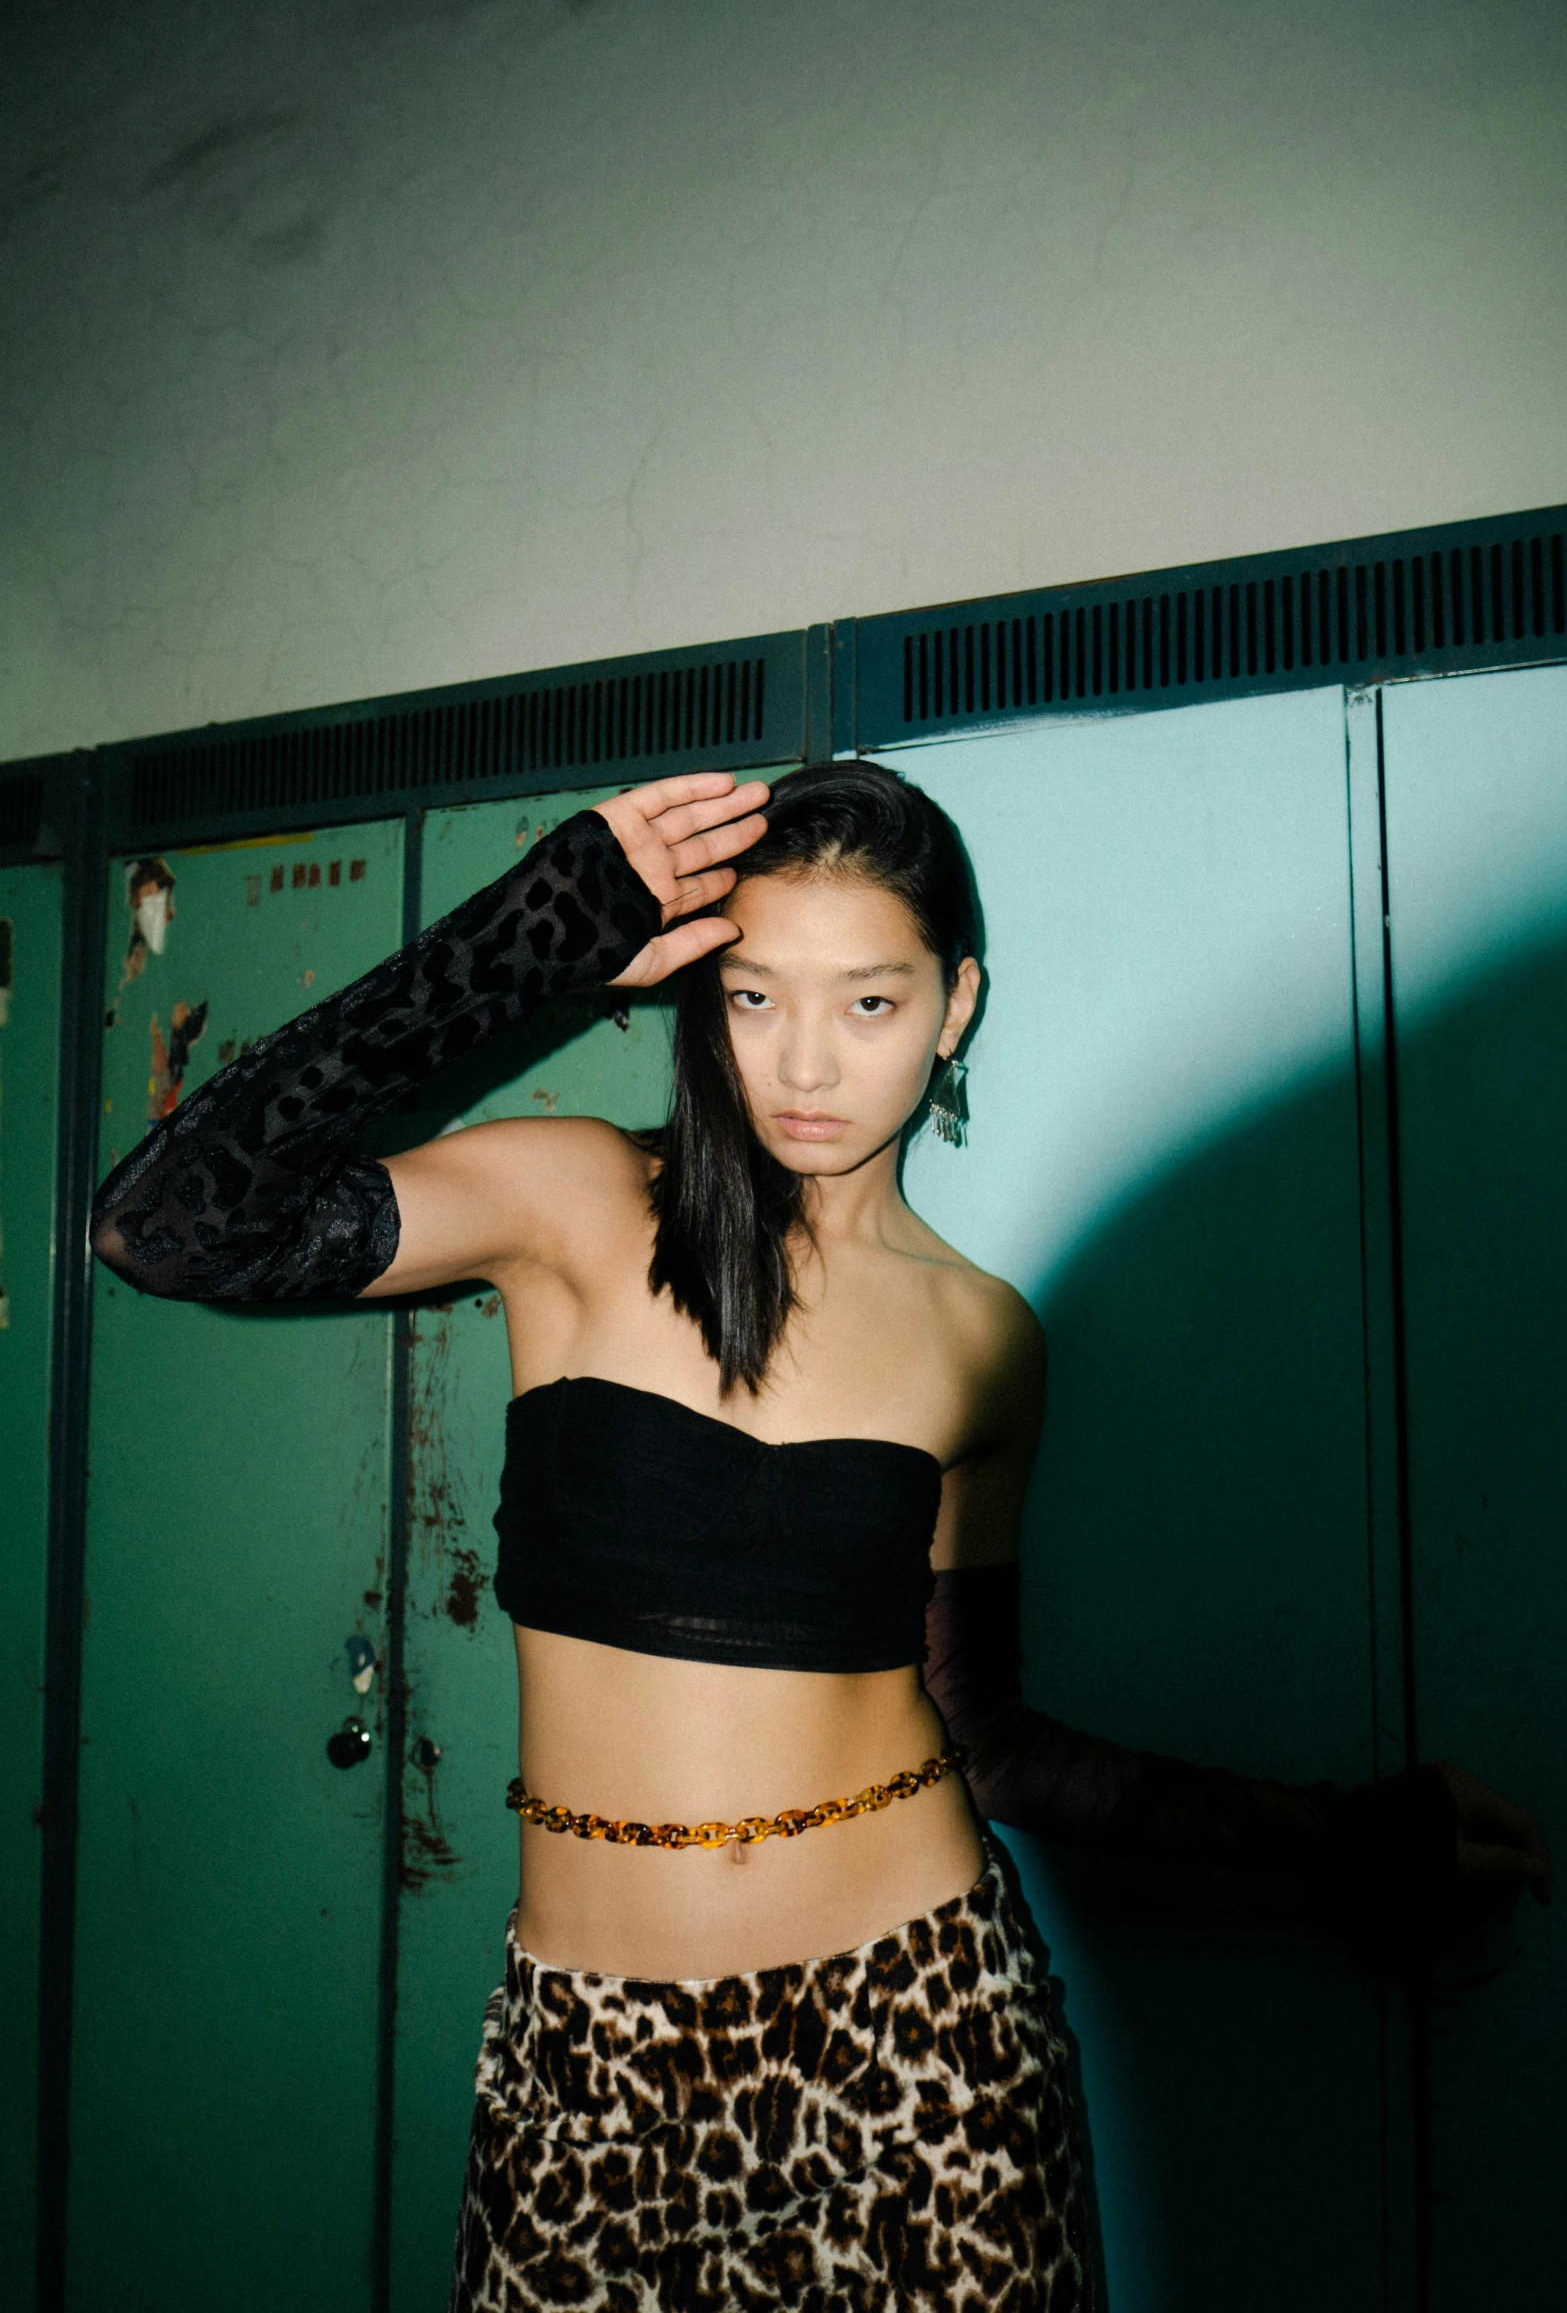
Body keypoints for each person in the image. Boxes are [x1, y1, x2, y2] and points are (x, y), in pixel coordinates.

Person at [91, 763, 1550, 2313]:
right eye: (752, 994)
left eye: (866, 1002)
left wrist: (1345, 1835)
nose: (802, 1061)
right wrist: (536, 930)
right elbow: (170, 1221)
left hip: (920, 2035)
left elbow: (990, 1743)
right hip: (588, 2063)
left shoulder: (984, 1337)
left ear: (953, 1003)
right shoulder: (577, 1204)